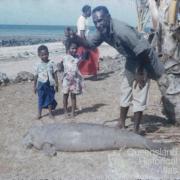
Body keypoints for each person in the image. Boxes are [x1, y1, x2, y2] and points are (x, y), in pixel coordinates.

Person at [65, 6, 165, 133]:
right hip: (132, 58)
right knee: (125, 90)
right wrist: (75, 37)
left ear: (108, 17)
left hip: (144, 60)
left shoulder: (121, 30)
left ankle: (135, 130)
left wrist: (139, 73)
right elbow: (90, 45)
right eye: (95, 22)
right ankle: (121, 123)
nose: (98, 24)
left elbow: (142, 50)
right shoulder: (101, 30)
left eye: (100, 20)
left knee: (139, 93)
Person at [58, 41, 84, 118]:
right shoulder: (64, 57)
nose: (74, 50)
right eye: (72, 48)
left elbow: (83, 60)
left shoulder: (78, 57)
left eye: (76, 48)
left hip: (75, 81)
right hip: (66, 80)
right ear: (68, 49)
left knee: (73, 96)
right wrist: (60, 68)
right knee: (65, 96)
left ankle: (73, 112)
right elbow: (60, 67)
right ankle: (65, 111)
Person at [33, 45, 58, 119]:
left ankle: (50, 113)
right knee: (40, 99)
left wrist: (57, 84)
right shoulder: (37, 65)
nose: (44, 56)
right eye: (42, 55)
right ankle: (39, 114)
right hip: (41, 84)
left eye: (46, 54)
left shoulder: (52, 63)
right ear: (39, 55)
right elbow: (35, 76)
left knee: (50, 98)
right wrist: (34, 86)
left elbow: (55, 74)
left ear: (48, 53)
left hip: (50, 84)